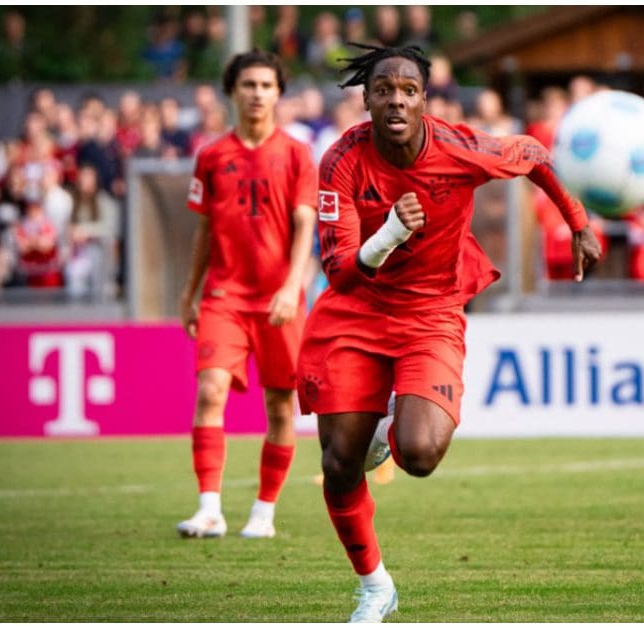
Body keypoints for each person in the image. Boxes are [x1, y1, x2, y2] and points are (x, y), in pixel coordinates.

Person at [300, 43, 601, 621]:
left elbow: (534, 153)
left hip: (429, 314)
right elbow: (338, 271)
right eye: (383, 89)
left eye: (408, 90)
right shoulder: (340, 160)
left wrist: (579, 222)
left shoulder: (460, 146)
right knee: (339, 464)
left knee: (419, 453)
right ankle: (374, 586)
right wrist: (388, 232)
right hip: (357, 311)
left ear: (424, 101)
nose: (395, 99)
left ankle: (390, 420)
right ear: (365, 98)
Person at [176, 50, 318, 541]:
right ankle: (209, 509)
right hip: (225, 296)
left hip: (280, 302)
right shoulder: (212, 156)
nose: (257, 93)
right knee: (210, 390)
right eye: (248, 85)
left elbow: (306, 225)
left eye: (266, 85)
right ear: (232, 92)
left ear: (278, 93)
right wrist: (190, 291)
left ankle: (264, 511)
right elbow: (204, 230)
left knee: (280, 407)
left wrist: (291, 286)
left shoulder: (298, 154)